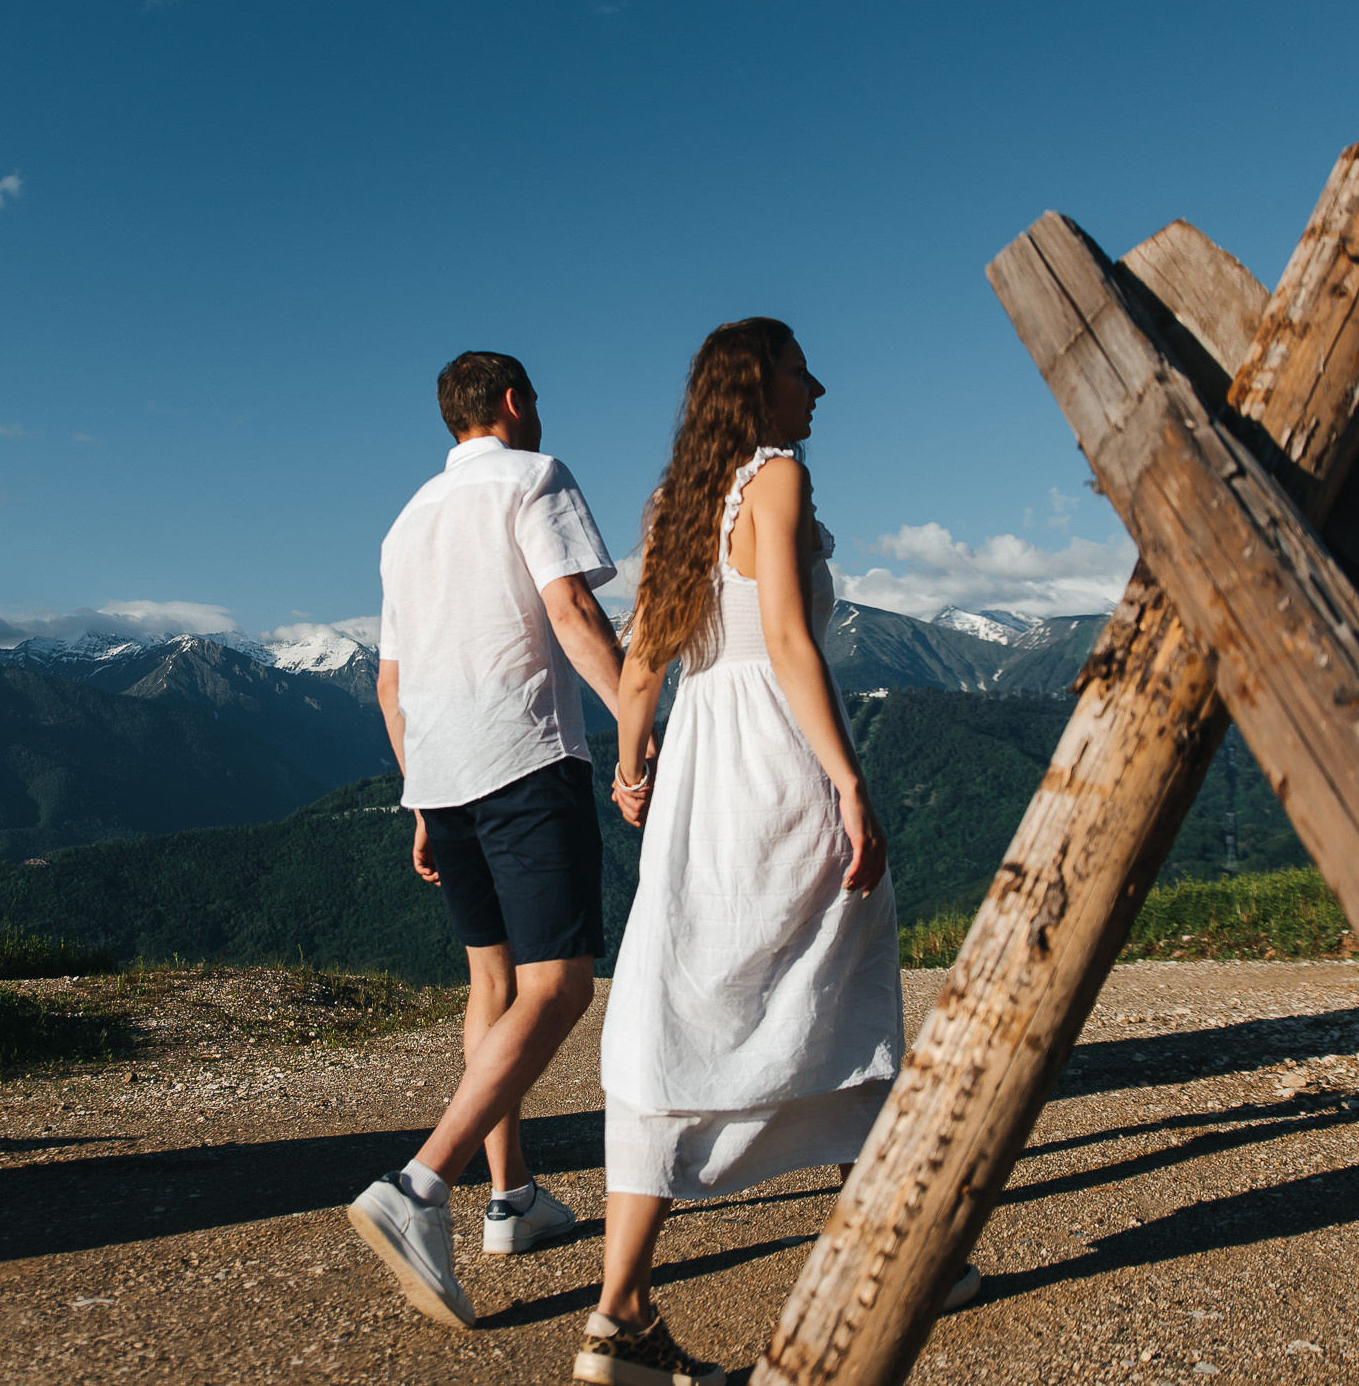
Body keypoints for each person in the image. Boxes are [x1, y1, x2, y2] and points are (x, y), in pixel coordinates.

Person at [578, 319, 973, 1386]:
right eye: (804, 368)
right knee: (842, 986)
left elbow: (642, 659)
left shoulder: (677, 504)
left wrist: (629, 765)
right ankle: (897, 1249)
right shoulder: (778, 479)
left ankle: (618, 1315)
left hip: (698, 770)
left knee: (677, 1010)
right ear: (762, 384)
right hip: (774, 756)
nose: (821, 387)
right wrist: (847, 780)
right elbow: (791, 642)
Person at [346, 350, 632, 1330]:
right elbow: (570, 607)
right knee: (560, 983)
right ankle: (422, 1184)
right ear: (513, 402)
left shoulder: (405, 520)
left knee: (492, 982)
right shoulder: (534, 476)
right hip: (524, 756)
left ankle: (512, 1199)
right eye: (536, 398)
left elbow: (388, 683)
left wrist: (419, 801)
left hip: (441, 773)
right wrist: (641, 719)